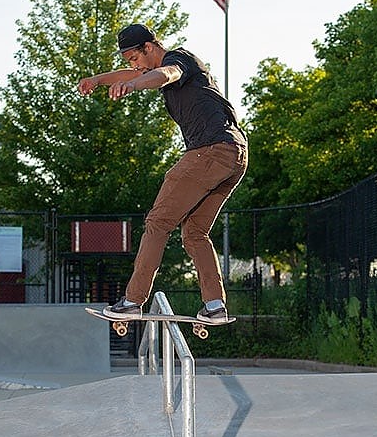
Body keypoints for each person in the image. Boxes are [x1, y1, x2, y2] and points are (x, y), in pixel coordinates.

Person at [77, 23, 248, 323]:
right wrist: (97, 80)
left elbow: (164, 75)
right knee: (195, 233)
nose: (135, 66)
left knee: (158, 222)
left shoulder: (179, 60)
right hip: (234, 155)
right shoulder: (155, 67)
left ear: (150, 47)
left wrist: (132, 86)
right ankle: (215, 306)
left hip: (209, 150)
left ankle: (132, 300)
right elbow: (134, 75)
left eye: (135, 58)